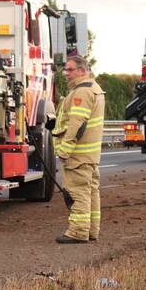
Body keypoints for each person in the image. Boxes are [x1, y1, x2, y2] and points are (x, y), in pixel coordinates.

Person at [53, 56, 105, 244]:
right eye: (65, 70)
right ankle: (91, 230)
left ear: (82, 71)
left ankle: (78, 232)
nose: (66, 73)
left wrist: (64, 150)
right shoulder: (94, 88)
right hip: (90, 155)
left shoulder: (81, 93)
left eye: (70, 70)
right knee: (91, 192)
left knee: (78, 193)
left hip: (78, 155)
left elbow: (77, 124)